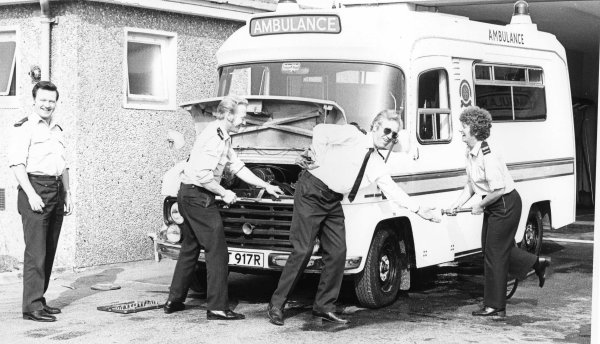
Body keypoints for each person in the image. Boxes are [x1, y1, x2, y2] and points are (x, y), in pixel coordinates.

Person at [267, 110, 441, 326]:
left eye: (394, 135)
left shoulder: (376, 161)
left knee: (338, 252)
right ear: (375, 126)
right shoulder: (353, 135)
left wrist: (419, 210)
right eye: (387, 130)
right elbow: (320, 131)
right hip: (312, 190)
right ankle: (276, 304)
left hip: (332, 200)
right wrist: (318, 157)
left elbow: (392, 190)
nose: (389, 136)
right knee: (303, 249)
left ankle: (323, 307)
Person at [164, 95, 284, 320]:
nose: (244, 121)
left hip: (188, 195)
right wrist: (225, 192)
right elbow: (204, 176)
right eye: (241, 116)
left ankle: (174, 300)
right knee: (217, 251)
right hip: (198, 196)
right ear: (229, 115)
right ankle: (217, 307)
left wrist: (266, 185)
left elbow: (238, 167)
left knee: (190, 246)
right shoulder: (216, 138)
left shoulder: (220, 134)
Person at [448, 106, 551, 317]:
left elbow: (498, 189)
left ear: (475, 130)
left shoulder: (488, 155)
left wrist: (480, 205)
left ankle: (496, 306)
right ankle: (536, 263)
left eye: (464, 126)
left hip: (505, 204)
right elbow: (471, 184)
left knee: (494, 254)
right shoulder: (470, 152)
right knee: (491, 250)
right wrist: (456, 205)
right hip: (495, 203)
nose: (461, 130)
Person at [8, 81, 72, 322]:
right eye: (43, 100)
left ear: (56, 102)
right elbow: (17, 163)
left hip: (55, 190)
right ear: (34, 101)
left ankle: (39, 300)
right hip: (35, 189)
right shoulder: (25, 127)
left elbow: (64, 165)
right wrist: (31, 194)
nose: (47, 104)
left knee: (49, 250)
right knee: (36, 253)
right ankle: (31, 307)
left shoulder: (57, 128)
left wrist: (67, 193)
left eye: (51, 101)